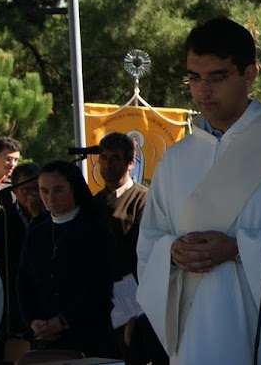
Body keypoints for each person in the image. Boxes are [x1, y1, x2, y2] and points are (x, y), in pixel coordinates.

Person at [135, 17, 261, 365]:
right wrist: (171, 252)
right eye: (194, 78)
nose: (203, 91)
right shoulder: (175, 159)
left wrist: (238, 247)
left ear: (249, 75)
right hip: (192, 336)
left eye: (217, 77)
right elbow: (150, 242)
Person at [18, 160, 117, 357]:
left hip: (88, 339)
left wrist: (62, 321)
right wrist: (33, 322)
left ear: (73, 188)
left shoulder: (95, 229)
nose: (50, 198)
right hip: (46, 340)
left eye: (58, 190)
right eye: (44, 191)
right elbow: (23, 281)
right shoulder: (37, 231)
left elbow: (98, 287)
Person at [92, 131, 149, 360]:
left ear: (129, 163)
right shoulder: (92, 202)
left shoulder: (142, 199)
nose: (107, 164)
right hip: (99, 300)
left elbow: (139, 250)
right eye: (103, 158)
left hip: (130, 302)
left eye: (114, 158)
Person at [0, 162, 42, 360]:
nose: (34, 195)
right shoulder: (3, 218)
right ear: (17, 191)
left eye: (39, 188)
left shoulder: (50, 214)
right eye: (29, 190)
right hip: (14, 306)